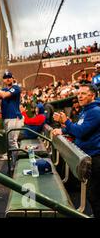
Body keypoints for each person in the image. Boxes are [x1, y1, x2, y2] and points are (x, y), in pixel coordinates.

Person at [52, 84, 100, 218]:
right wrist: (63, 129)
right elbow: (78, 127)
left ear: (93, 95)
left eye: (84, 94)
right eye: (78, 93)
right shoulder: (86, 110)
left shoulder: (95, 111)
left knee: (94, 194)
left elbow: (81, 132)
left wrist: (66, 121)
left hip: (97, 157)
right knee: (93, 194)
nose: (79, 96)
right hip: (90, 156)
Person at [0, 71, 23, 161]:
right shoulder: (4, 89)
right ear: (4, 80)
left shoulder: (16, 87)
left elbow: (4, 96)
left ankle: (16, 162)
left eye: (9, 77)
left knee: (12, 141)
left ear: (12, 78)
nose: (7, 79)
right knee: (10, 141)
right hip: (7, 117)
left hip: (14, 117)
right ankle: (13, 159)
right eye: (5, 77)